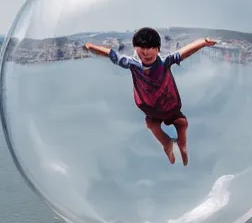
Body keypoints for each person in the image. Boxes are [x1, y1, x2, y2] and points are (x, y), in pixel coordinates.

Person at [85, 27, 216, 166]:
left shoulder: (165, 62)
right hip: (151, 109)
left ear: (158, 49)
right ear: (136, 49)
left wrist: (203, 42)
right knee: (153, 124)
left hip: (169, 106)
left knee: (180, 123)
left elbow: (183, 53)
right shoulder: (132, 64)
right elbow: (112, 55)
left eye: (150, 49)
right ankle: (167, 144)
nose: (146, 53)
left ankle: (182, 147)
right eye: (142, 50)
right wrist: (91, 46)